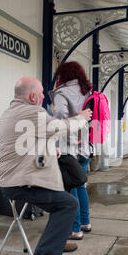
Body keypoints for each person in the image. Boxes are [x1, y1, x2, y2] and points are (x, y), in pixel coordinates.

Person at [0, 77, 92, 255]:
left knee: (60, 194)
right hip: (20, 182)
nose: (42, 97)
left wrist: (49, 149)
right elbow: (60, 127)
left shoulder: (9, 113)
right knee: (68, 203)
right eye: (40, 93)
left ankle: (56, 241)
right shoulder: (33, 111)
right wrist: (81, 117)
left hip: (12, 180)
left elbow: (26, 141)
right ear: (32, 96)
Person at [50, 61, 93, 241]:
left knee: (70, 187)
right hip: (85, 147)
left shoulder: (62, 93)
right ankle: (85, 222)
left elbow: (60, 120)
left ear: (63, 75)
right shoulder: (86, 92)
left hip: (69, 148)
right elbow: (91, 119)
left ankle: (75, 229)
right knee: (80, 185)